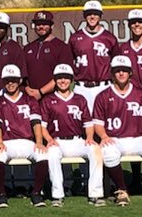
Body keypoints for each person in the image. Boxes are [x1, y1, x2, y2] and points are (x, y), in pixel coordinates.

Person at [92, 56, 142, 206]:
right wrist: (103, 136)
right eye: (117, 71)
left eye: (124, 71)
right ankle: (121, 190)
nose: (121, 73)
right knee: (107, 150)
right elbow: (98, 124)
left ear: (130, 73)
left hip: (138, 138)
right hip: (115, 139)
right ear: (112, 73)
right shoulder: (103, 96)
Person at [40, 64, 104, 207]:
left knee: (95, 150)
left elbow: (88, 124)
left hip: (77, 140)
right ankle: (57, 195)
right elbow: (42, 127)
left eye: (66, 78)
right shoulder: (48, 100)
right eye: (60, 78)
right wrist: (49, 139)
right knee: (52, 153)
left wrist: (89, 137)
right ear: (55, 80)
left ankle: (95, 193)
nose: (63, 81)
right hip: (57, 141)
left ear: (72, 80)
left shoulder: (80, 99)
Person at [0, 64, 49, 208]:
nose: (11, 83)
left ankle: (36, 193)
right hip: (8, 141)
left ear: (20, 80)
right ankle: (2, 194)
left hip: (27, 141)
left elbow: (36, 122)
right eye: (7, 80)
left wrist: (39, 141)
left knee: (42, 155)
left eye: (14, 80)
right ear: (3, 81)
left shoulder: (30, 100)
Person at [68, 1, 118, 105]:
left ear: (100, 16)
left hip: (103, 86)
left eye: (95, 14)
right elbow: (69, 62)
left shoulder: (109, 38)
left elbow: (117, 63)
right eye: (89, 14)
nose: (92, 17)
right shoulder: (75, 38)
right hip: (81, 87)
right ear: (84, 15)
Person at [22, 11, 72, 101]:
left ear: (51, 26)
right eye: (38, 24)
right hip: (31, 98)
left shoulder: (61, 47)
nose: (41, 27)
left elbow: (62, 76)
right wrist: (27, 89)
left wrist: (41, 92)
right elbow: (23, 74)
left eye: (45, 24)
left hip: (54, 97)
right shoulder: (28, 48)